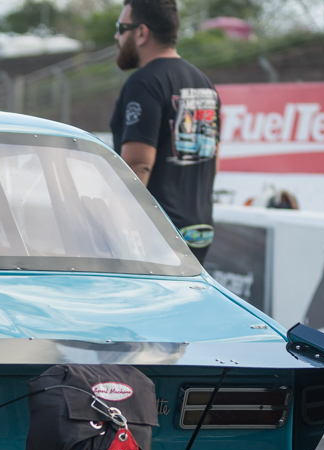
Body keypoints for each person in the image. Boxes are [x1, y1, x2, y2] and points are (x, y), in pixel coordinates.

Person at [109, 0, 220, 264]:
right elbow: (213, 161)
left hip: (156, 236)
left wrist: (114, 227)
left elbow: (138, 165)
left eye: (121, 28)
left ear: (141, 32)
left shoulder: (144, 83)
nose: (116, 36)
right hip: (199, 231)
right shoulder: (204, 83)